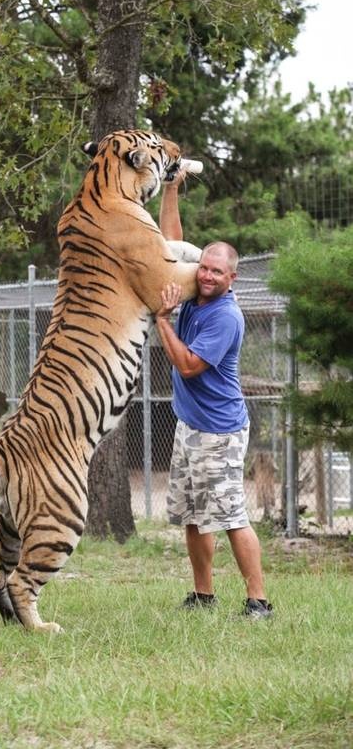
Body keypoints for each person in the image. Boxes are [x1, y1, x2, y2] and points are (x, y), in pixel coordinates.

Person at [156, 170, 273, 619]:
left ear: (233, 277)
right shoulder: (194, 289)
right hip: (190, 427)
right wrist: (171, 187)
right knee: (191, 514)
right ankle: (203, 594)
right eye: (203, 267)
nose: (206, 275)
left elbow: (187, 366)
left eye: (216, 271)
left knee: (229, 517)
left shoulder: (225, 316)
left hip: (219, 433)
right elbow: (171, 244)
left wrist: (163, 319)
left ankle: (259, 602)